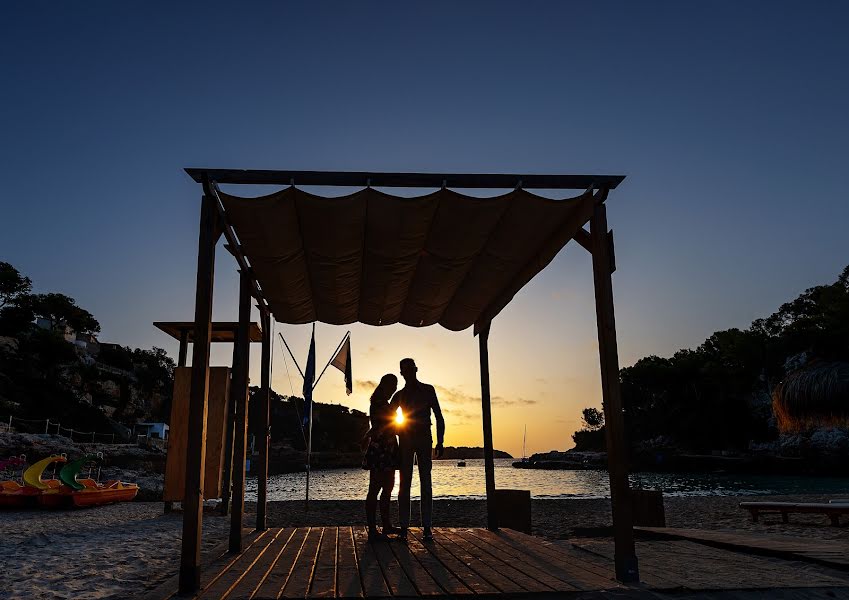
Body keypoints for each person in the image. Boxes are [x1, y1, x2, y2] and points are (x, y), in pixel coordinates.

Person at [390, 357, 444, 542]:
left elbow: (439, 416)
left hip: (424, 438)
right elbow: (387, 415)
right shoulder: (399, 395)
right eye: (404, 371)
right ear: (402, 373)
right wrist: (397, 432)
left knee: (425, 482)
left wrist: (440, 441)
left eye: (410, 369)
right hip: (405, 439)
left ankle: (427, 527)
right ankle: (404, 527)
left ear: (416, 370)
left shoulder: (428, 390)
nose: (408, 373)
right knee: (405, 483)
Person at [362, 374, 401, 541]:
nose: (394, 389)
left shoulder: (382, 402)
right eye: (392, 386)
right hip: (381, 449)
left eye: (395, 386)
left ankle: (386, 525)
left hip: (388, 447)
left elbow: (382, 424)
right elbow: (385, 422)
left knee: (388, 487)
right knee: (376, 488)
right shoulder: (379, 402)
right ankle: (372, 529)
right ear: (385, 385)